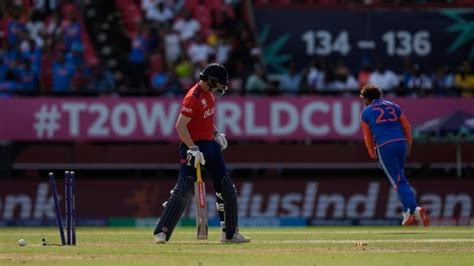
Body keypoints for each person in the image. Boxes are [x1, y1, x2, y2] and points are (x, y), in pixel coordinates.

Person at [153, 63, 250, 244]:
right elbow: (180, 127)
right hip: (193, 147)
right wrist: (192, 148)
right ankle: (162, 232)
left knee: (226, 188)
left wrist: (216, 134)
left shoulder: (209, 95)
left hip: (210, 146)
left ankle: (230, 234)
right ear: (211, 80)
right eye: (220, 84)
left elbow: (205, 118)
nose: (222, 87)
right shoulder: (193, 97)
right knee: (184, 190)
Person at [359, 84, 430, 227]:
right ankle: (410, 213)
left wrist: (371, 151)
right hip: (401, 143)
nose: (363, 101)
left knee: (398, 182)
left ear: (367, 98)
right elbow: (407, 126)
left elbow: (367, 136)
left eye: (363, 99)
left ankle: (413, 211)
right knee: (400, 178)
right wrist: (408, 144)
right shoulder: (394, 106)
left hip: (385, 146)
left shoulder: (366, 112)